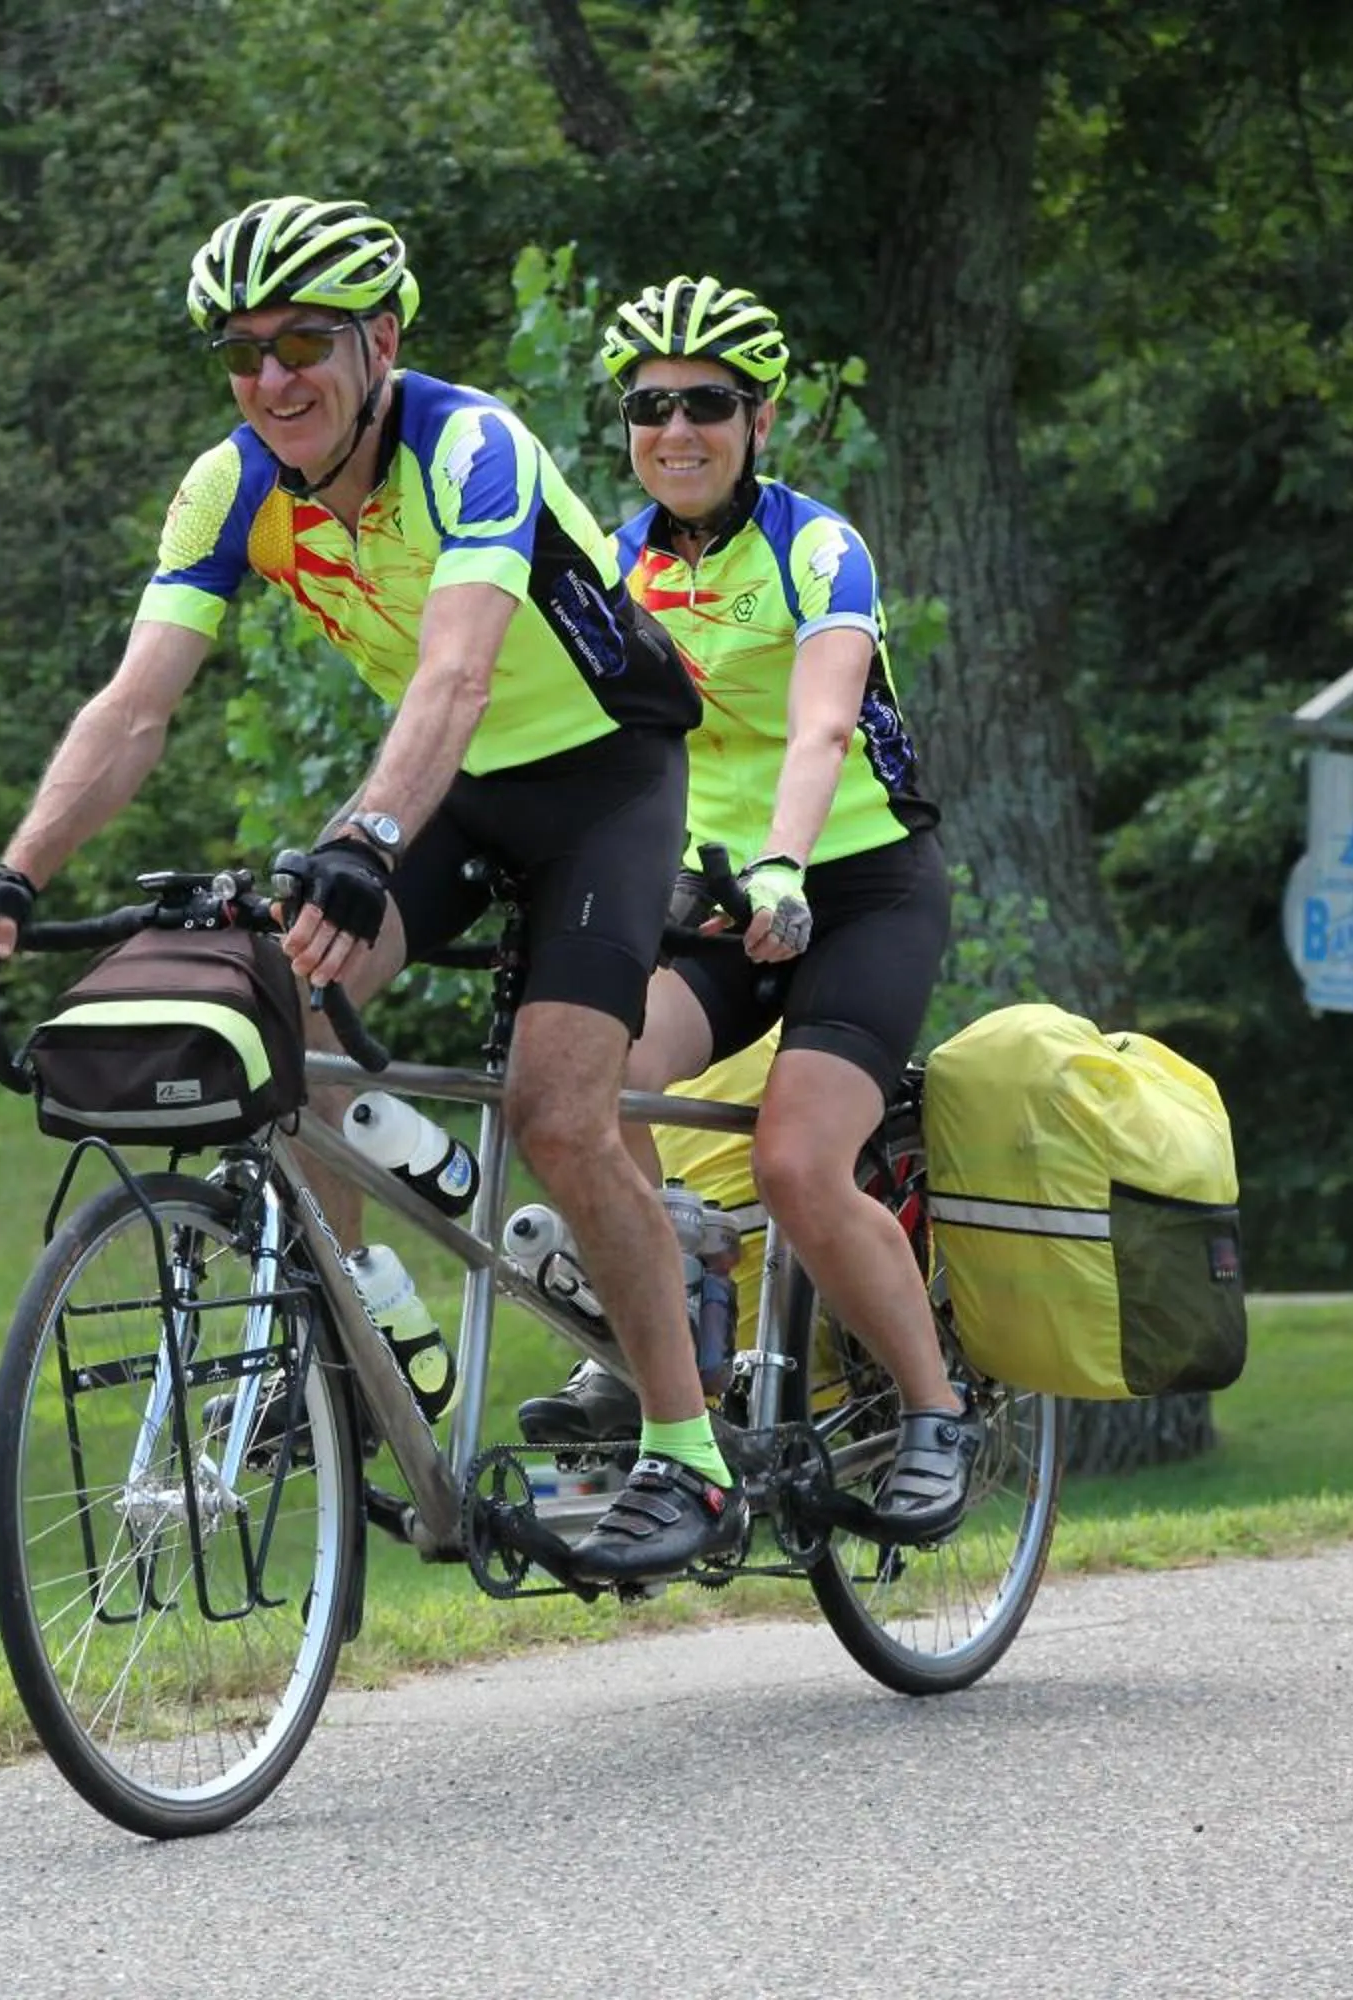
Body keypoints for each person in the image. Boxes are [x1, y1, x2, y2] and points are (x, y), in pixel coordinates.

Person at [0, 198, 745, 1580]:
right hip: (456, 790)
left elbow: (457, 675)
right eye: (241, 355)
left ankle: (690, 1452)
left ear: (382, 340)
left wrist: (362, 838)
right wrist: (14, 873)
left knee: (558, 1108)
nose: (271, 380)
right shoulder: (230, 483)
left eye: (304, 341)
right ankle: (375, 1332)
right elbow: (135, 709)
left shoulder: (470, 446)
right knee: (269, 1012)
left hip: (602, 780)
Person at [513, 275, 980, 1540]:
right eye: (650, 406)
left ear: (758, 418)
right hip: (710, 899)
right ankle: (663, 1325)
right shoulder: (614, 562)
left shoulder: (817, 547)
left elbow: (825, 722)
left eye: (707, 404)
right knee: (585, 1089)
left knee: (793, 1159)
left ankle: (936, 1412)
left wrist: (782, 859)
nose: (677, 430)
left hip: (857, 885)